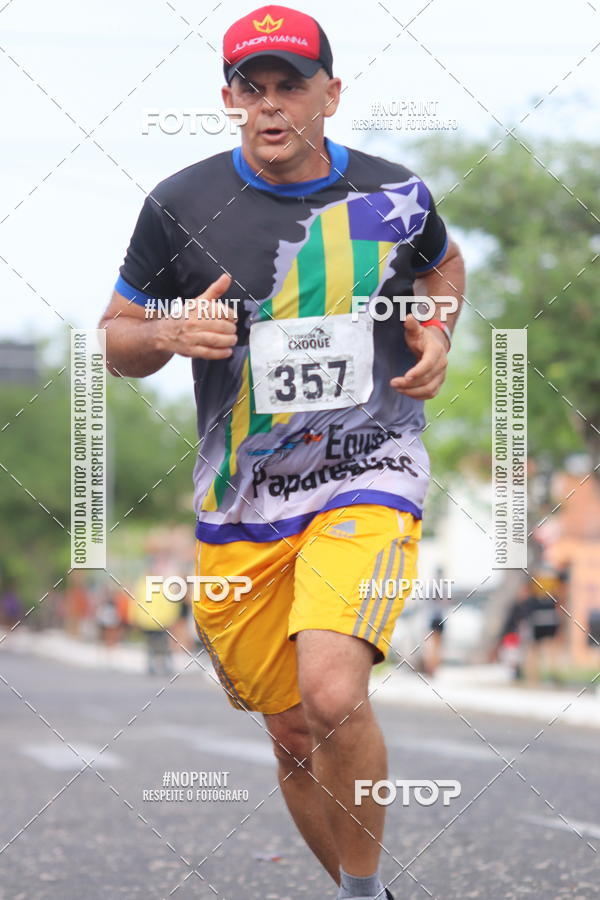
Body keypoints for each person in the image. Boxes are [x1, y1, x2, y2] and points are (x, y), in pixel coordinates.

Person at [99, 6, 464, 898]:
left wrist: (436, 326)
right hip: (245, 503)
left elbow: (441, 265)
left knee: (335, 694)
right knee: (296, 730)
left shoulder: (396, 194)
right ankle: (351, 887)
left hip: (370, 473)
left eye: (290, 86)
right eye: (249, 88)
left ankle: (365, 893)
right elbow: (115, 338)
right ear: (228, 99)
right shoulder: (179, 205)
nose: (270, 106)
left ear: (330, 94)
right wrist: (170, 331)